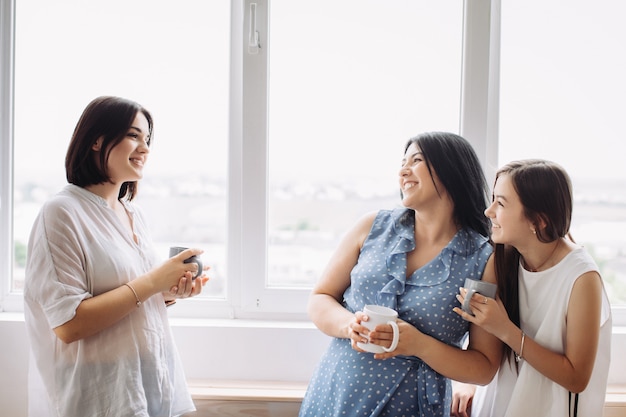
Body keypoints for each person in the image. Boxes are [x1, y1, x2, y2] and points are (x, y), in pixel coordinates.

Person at [23, 96, 210, 417]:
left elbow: (125, 294)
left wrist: (165, 292)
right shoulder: (61, 212)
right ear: (97, 140)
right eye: (134, 135)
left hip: (147, 382)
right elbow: (68, 324)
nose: (145, 148)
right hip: (97, 394)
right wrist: (152, 282)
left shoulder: (133, 214)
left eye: (148, 139)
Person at [298, 132, 503, 417]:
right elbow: (320, 297)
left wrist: (419, 344)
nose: (403, 170)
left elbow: (483, 367)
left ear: (451, 171)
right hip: (336, 393)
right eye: (402, 162)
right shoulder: (371, 227)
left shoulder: (482, 260)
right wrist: (349, 326)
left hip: (412, 406)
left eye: (416, 160)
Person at [452, 159, 611, 417]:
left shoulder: (582, 278)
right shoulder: (499, 259)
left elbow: (576, 378)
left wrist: (505, 330)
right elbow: (480, 346)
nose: (488, 211)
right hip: (499, 405)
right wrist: (468, 381)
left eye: (501, 203)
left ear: (539, 220)